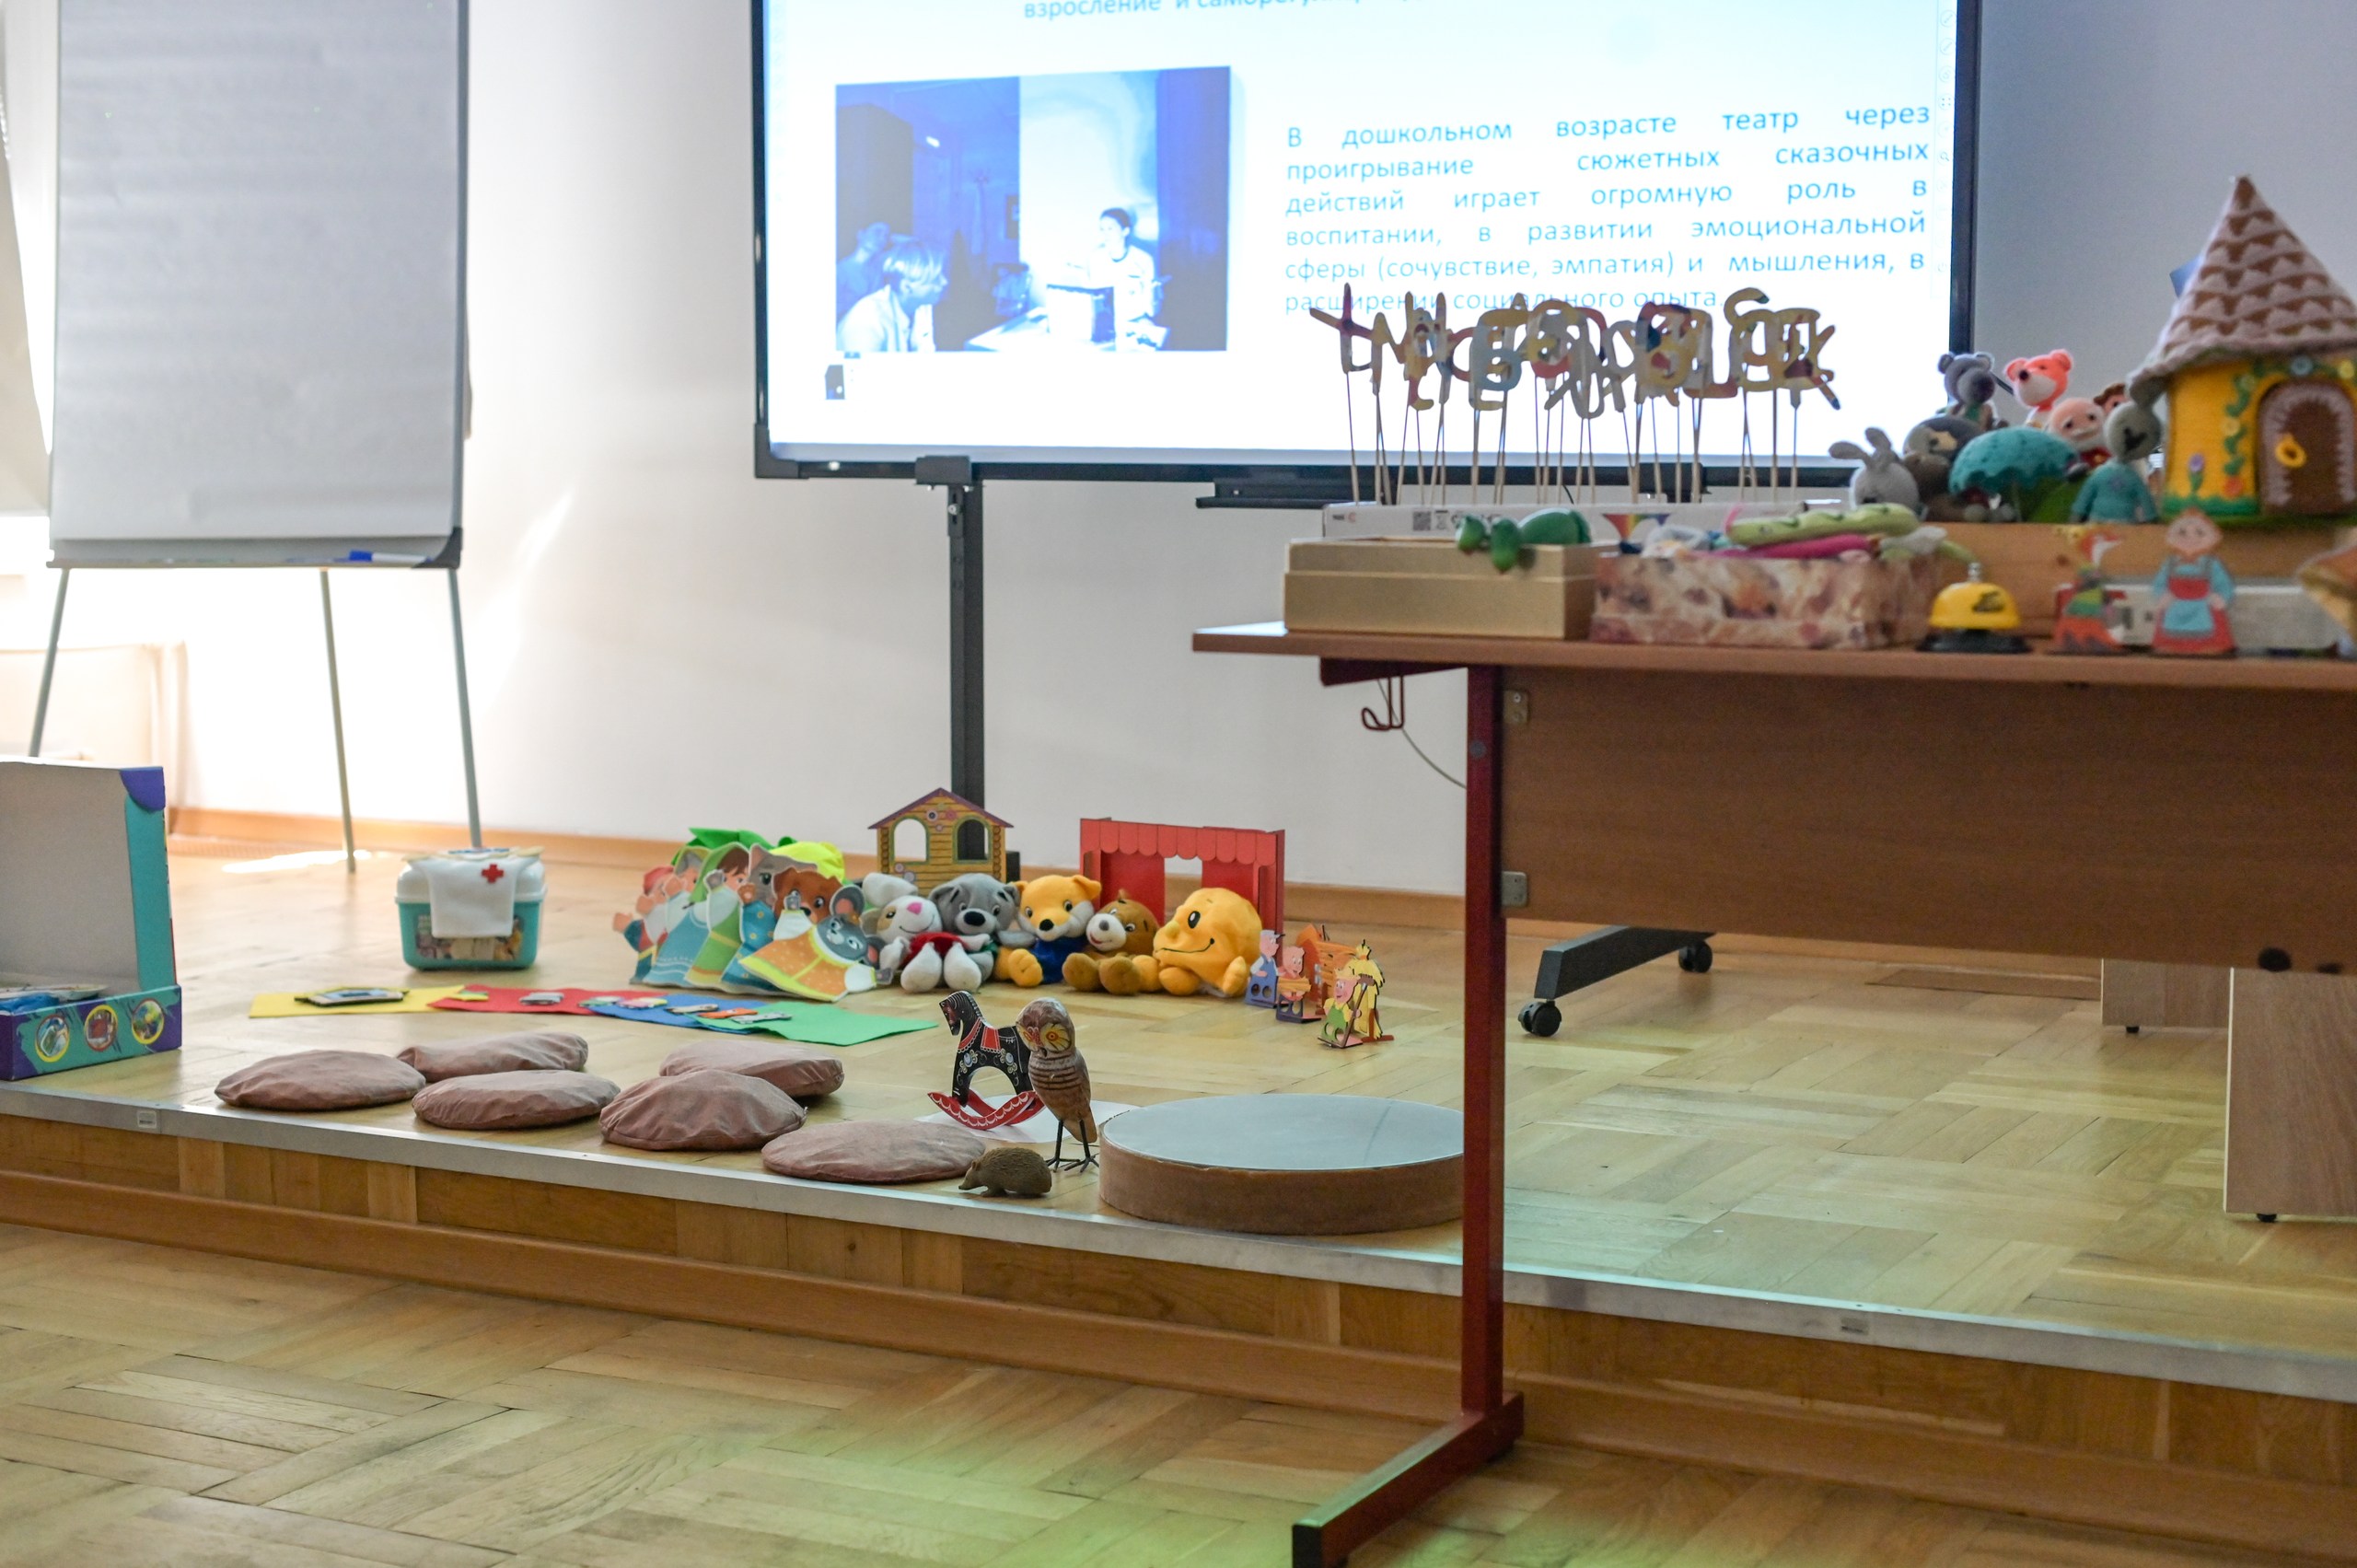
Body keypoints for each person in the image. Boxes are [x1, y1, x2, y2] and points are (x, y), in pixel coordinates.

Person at [837, 241, 946, 354]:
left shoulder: (921, 309)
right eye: (936, 279)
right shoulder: (868, 320)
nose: (944, 282)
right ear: (906, 287)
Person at [1083, 207, 1163, 349]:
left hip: (1135, 324)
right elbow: (1091, 295)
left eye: (1110, 228)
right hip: (1104, 325)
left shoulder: (1143, 259)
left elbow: (1151, 305)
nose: (1105, 234)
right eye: (1102, 229)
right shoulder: (1095, 258)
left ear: (1125, 231)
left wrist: (1145, 318)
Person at [835, 222, 892, 318]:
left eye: (886, 236)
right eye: (877, 232)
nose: (882, 239)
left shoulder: (878, 270)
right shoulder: (840, 270)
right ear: (861, 234)